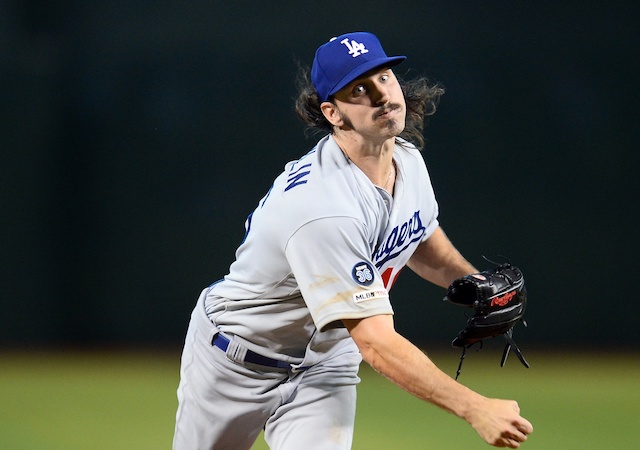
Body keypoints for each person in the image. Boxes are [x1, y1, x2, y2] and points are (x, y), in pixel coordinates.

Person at [173, 31, 533, 449]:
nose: (381, 95)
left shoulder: (407, 160)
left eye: (383, 77)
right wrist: (475, 407)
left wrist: (475, 282)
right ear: (333, 113)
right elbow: (376, 342)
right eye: (358, 90)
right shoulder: (323, 207)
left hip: (325, 365)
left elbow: (417, 233)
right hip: (235, 361)